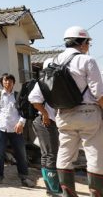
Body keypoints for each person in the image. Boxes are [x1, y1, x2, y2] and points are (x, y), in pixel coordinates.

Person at [53, 26, 103, 197]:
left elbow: (41, 93)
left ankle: (68, 194)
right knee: (94, 154)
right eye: (88, 42)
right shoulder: (87, 60)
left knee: (65, 154)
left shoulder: (53, 61)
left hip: (64, 115)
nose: (88, 46)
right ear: (82, 43)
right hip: (88, 114)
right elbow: (99, 94)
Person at [0, 73, 35, 187]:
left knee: (21, 154)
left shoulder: (18, 95)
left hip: (16, 129)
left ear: (13, 83)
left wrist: (21, 123)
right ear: (2, 82)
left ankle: (24, 178)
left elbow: (24, 112)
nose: (7, 83)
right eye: (5, 81)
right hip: (0, 128)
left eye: (10, 81)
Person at [30, 58, 61, 195]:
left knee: (46, 154)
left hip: (46, 122)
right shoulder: (44, 82)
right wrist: (45, 114)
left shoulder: (53, 82)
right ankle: (54, 188)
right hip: (46, 122)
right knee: (51, 155)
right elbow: (33, 99)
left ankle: (50, 188)